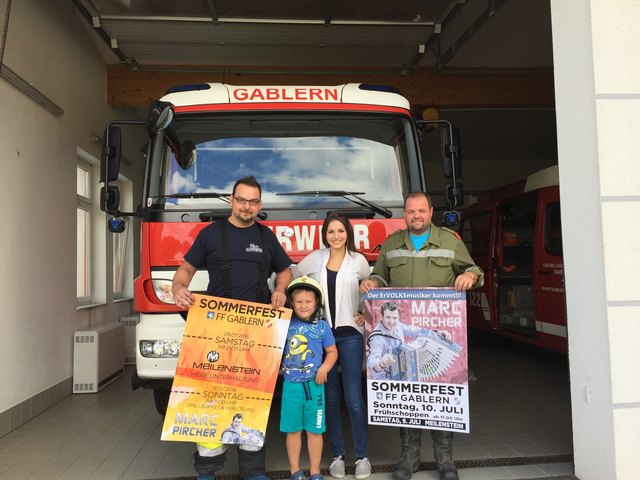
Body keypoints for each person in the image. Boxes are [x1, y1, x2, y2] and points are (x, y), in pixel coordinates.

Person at [172, 175, 292, 480]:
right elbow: (186, 269)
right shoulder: (210, 235)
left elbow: (285, 270)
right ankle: (207, 470)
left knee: (252, 402)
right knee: (212, 399)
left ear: (260, 204)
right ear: (231, 200)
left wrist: (280, 289)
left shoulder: (266, 237)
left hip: (256, 332)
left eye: (253, 201)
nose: (247, 206)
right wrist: (178, 287)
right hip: (216, 331)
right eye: (242, 200)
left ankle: (253, 472)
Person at [360, 192, 483, 480]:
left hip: (437, 333)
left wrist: (471, 277)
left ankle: (444, 460)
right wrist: (371, 281)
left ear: (430, 212)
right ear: (404, 213)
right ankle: (409, 458)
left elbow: (474, 269)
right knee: (407, 396)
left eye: (421, 211)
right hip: (402, 337)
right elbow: (380, 277)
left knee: (439, 396)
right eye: (410, 211)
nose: (416, 216)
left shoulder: (450, 241)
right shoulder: (392, 243)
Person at [292, 212, 372, 479]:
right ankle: (338, 454)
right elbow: (293, 275)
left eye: (340, 231)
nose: (335, 236)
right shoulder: (315, 258)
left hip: (350, 336)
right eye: (330, 232)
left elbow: (370, 290)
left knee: (353, 398)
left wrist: (363, 311)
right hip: (321, 335)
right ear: (324, 235)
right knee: (330, 397)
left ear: (348, 232)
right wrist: (301, 310)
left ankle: (362, 456)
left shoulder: (358, 261)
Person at [281, 276, 338, 480]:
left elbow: (332, 352)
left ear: (316, 303)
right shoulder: (284, 324)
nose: (303, 306)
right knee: (293, 430)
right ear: (291, 303)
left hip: (315, 386)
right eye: (299, 301)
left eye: (308, 301)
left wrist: (325, 368)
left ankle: (315, 471)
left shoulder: (323, 326)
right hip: (291, 387)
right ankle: (294, 470)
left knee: (315, 430)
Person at [367, 301, 453, 380]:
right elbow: (373, 363)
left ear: (398, 317)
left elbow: (417, 331)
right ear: (382, 317)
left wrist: (437, 333)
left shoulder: (398, 325)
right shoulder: (376, 338)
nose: (392, 321)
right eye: (388, 317)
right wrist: (382, 363)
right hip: (384, 381)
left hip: (403, 375)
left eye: (395, 318)